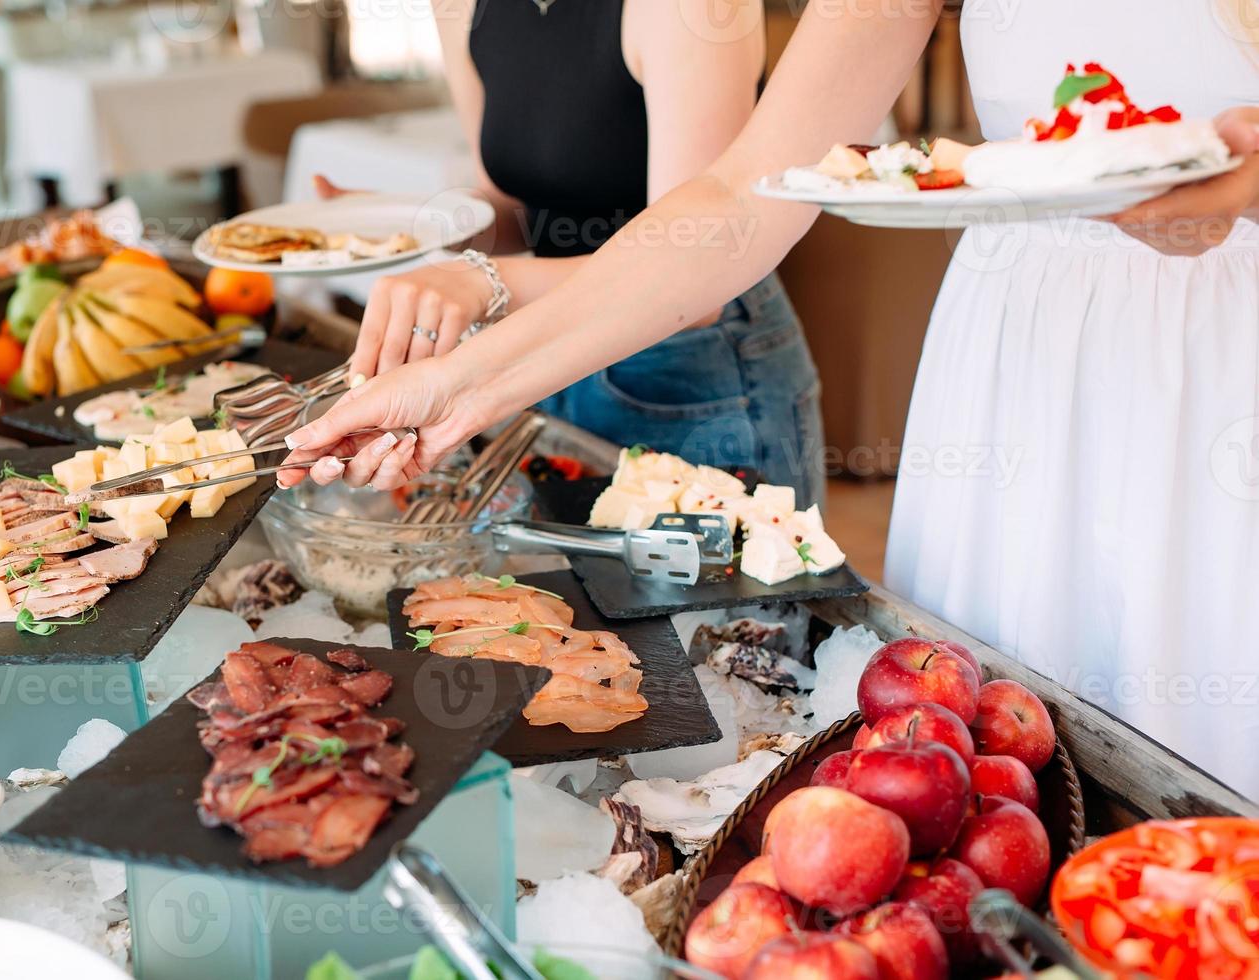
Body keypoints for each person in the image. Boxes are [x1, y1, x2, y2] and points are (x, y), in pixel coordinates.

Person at [281, 0, 1259, 797]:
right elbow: (735, 203)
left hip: (1223, 358)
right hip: (1021, 363)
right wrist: (459, 387)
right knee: (993, 770)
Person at [322, 0, 824, 502]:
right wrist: (411, 224)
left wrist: (484, 280)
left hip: (691, 366)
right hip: (548, 348)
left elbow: (698, 272)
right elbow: (514, 210)